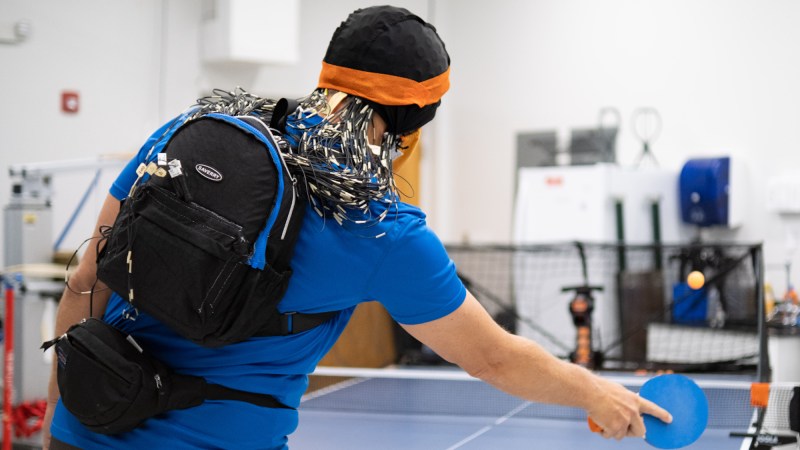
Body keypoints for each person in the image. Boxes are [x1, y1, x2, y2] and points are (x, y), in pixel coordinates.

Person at [43, 5, 671, 449]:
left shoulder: (193, 130)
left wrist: (57, 418)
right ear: (414, 125)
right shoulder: (382, 231)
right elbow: (495, 360)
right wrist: (596, 394)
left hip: (87, 422)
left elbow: (87, 276)